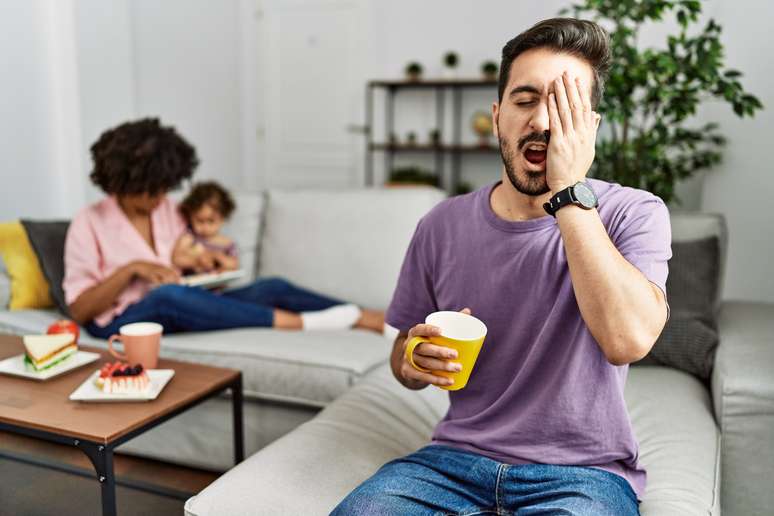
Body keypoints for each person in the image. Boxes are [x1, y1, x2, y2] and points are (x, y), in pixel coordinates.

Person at [333, 18, 670, 515]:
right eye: (526, 99)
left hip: (583, 475)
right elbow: (404, 352)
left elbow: (627, 341)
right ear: (497, 116)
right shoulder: (440, 224)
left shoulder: (634, 213)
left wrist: (569, 192)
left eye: (564, 105)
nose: (542, 122)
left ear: (590, 127)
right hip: (451, 463)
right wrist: (411, 360)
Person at [64, 118, 385, 338]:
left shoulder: (168, 211)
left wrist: (205, 263)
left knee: (268, 287)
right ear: (121, 181)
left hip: (187, 301)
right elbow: (80, 310)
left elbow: (193, 253)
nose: (160, 198)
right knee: (168, 297)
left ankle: (368, 317)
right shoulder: (88, 222)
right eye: (151, 190)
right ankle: (302, 324)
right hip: (121, 322)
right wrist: (132, 270)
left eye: (165, 188)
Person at [173, 181, 239, 273]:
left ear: (223, 218)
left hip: (219, 285)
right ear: (190, 216)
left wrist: (218, 257)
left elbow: (235, 265)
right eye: (199, 221)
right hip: (192, 285)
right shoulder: (189, 238)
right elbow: (177, 259)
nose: (205, 227)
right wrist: (196, 261)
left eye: (211, 221)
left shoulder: (227, 243)